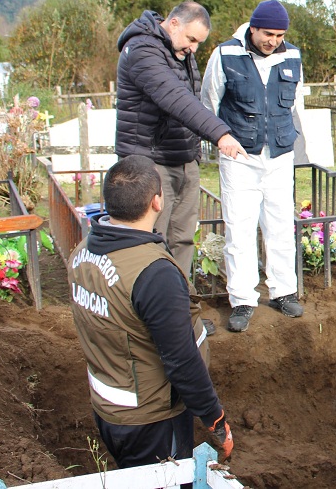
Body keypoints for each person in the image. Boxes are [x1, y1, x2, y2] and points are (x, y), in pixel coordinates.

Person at [66, 155, 233, 470]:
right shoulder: (152, 273)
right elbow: (181, 360)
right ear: (158, 202)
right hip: (151, 420)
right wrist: (214, 419)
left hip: (109, 408)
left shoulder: (83, 251)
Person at [115, 1, 247, 286]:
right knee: (152, 242)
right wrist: (220, 134)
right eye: (191, 39)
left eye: (198, 42)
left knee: (182, 239)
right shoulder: (142, 50)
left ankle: (181, 310)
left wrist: (193, 154)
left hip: (182, 158)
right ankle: (149, 315)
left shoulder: (179, 51)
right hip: (151, 162)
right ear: (173, 23)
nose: (194, 48)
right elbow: (175, 98)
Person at [202, 0, 307, 333]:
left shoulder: (292, 57)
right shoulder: (225, 55)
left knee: (279, 226)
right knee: (240, 228)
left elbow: (297, 104)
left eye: (278, 35)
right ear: (252, 28)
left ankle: (282, 291)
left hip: (278, 155)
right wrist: (221, 140)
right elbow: (209, 101)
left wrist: (293, 143)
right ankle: (243, 299)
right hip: (239, 157)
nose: (272, 41)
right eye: (267, 34)